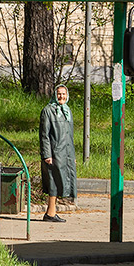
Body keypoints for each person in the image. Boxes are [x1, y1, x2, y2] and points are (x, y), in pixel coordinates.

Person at [39, 84, 76, 222]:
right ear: (55, 95)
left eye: (64, 94)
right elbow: (44, 135)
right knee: (53, 182)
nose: (61, 96)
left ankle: (51, 213)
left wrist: (72, 156)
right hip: (54, 153)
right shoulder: (48, 111)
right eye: (59, 94)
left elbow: (70, 136)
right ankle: (50, 214)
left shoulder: (67, 111)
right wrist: (47, 154)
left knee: (61, 182)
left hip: (66, 153)